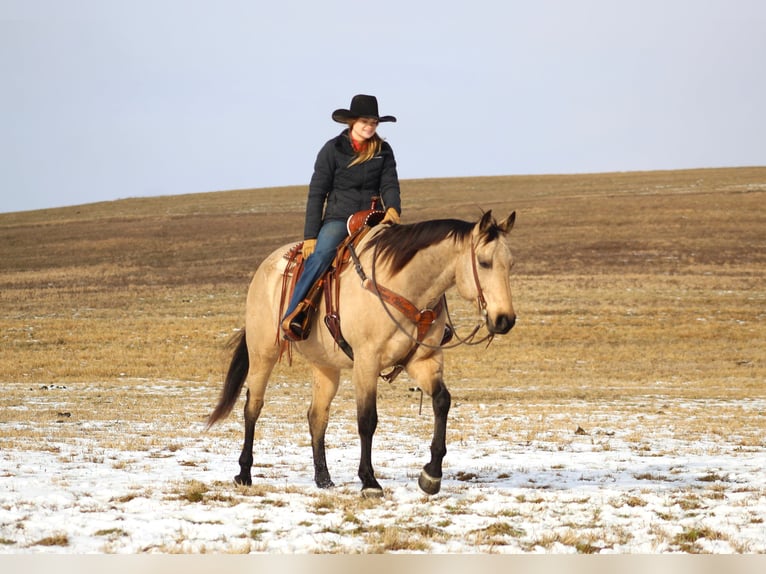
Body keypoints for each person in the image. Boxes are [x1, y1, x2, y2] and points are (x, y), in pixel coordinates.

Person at [281, 94, 402, 340]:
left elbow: (390, 183)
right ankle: (293, 315)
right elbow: (317, 193)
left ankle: (418, 318)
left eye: (374, 123)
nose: (369, 127)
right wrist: (311, 236)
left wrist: (393, 209)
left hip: (373, 217)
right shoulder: (332, 150)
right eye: (364, 122)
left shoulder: (383, 150)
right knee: (320, 256)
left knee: (405, 251)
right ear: (352, 122)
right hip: (338, 218)